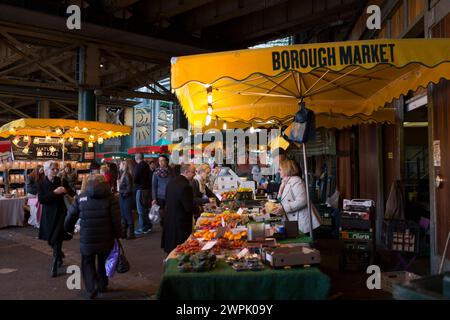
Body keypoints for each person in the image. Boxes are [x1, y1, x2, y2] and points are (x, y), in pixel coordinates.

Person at [65, 175, 124, 299]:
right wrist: (119, 234)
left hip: (87, 239)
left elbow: (70, 216)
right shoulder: (111, 198)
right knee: (103, 261)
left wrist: (68, 230)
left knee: (87, 262)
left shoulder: (81, 198)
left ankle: (91, 287)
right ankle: (103, 285)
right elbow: (116, 220)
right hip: (106, 238)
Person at [38, 160, 75, 277]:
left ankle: (54, 265)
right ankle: (59, 255)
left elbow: (72, 193)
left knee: (56, 239)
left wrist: (65, 190)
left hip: (60, 214)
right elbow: (42, 200)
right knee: (50, 240)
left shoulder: (61, 181)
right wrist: (54, 192)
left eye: (56, 169)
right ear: (46, 170)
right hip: (48, 215)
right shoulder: (41, 183)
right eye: (53, 169)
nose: (55, 171)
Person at [272, 159, 320, 234]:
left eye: (280, 169)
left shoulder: (297, 181)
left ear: (286, 169)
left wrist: (284, 208)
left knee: (305, 244)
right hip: (292, 220)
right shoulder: (284, 182)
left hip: (303, 221)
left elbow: (303, 201)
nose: (279, 171)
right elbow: (281, 200)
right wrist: (272, 208)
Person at [161, 164, 196, 254]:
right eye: (193, 172)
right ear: (186, 172)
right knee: (180, 249)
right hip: (180, 223)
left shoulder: (172, 182)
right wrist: (199, 209)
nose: (195, 174)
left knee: (172, 249)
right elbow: (189, 207)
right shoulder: (186, 186)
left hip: (169, 219)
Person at [133, 153, 152, 235]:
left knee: (141, 210)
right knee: (146, 209)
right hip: (147, 189)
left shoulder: (138, 166)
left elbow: (135, 178)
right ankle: (148, 226)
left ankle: (143, 227)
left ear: (136, 158)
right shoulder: (146, 165)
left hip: (141, 189)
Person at [118, 160, 135, 240]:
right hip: (123, 198)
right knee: (124, 216)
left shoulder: (127, 175)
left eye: (120, 164)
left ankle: (131, 233)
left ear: (124, 165)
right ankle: (124, 233)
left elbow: (129, 189)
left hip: (126, 198)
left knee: (128, 215)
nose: (119, 166)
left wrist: (120, 192)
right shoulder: (124, 175)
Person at [152, 155, 170, 225]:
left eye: (163, 160)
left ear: (166, 161)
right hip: (160, 197)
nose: (161, 162)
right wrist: (154, 198)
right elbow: (154, 186)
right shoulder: (155, 173)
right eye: (160, 161)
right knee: (162, 216)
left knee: (169, 213)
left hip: (169, 196)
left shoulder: (171, 172)